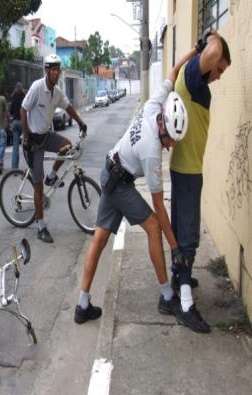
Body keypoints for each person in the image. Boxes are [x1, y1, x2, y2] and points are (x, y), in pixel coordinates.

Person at [74, 47, 198, 326]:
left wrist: (194, 51)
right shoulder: (152, 152)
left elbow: (173, 72)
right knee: (154, 227)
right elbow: (159, 208)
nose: (172, 146)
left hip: (110, 170)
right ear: (163, 127)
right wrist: (175, 246)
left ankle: (82, 304)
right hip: (119, 183)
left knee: (100, 238)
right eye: (171, 140)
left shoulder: (155, 104)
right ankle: (167, 298)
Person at [169, 31, 231, 333]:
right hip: (188, 170)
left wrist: (195, 49)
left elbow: (180, 65)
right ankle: (184, 304)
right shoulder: (195, 77)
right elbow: (215, 49)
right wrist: (210, 38)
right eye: (219, 69)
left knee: (180, 230)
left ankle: (177, 277)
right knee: (190, 238)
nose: (218, 75)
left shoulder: (187, 72)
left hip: (183, 167)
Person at [20, 53, 87, 244]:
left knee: (67, 145)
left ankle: (53, 175)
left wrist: (80, 121)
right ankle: (40, 226)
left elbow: (68, 107)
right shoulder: (37, 87)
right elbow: (23, 110)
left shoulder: (57, 91)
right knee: (38, 188)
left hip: (46, 135)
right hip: (33, 141)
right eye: (53, 69)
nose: (56, 72)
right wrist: (26, 138)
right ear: (46, 70)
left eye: (58, 69)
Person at [9, 82, 25, 169]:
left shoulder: (13, 97)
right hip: (23, 122)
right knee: (26, 143)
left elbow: (11, 111)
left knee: (15, 146)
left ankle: (14, 167)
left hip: (15, 122)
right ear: (22, 88)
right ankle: (31, 165)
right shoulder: (24, 97)